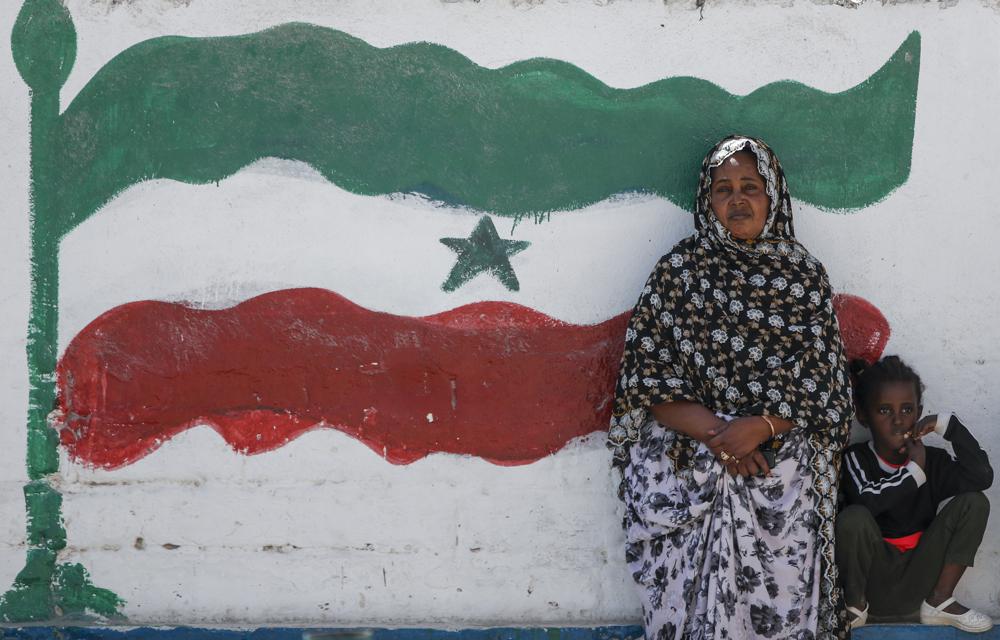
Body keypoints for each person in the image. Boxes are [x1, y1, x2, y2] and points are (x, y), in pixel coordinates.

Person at [608, 135, 854, 640]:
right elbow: (648, 378)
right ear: (707, 200)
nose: (737, 199)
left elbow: (825, 384)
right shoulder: (679, 273)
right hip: (692, 452)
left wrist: (760, 428)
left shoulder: (802, 276)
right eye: (724, 189)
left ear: (774, 196)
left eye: (750, 186)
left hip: (774, 458)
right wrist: (725, 439)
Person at [837, 355, 994, 633]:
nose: (898, 421)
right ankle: (853, 608)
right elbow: (867, 500)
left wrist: (950, 426)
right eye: (884, 411)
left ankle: (940, 601)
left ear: (919, 412)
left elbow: (981, 477)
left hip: (920, 580)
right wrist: (913, 471)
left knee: (974, 502)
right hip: (871, 586)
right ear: (863, 415)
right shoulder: (855, 459)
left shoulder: (933, 460)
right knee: (854, 517)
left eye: (907, 409)